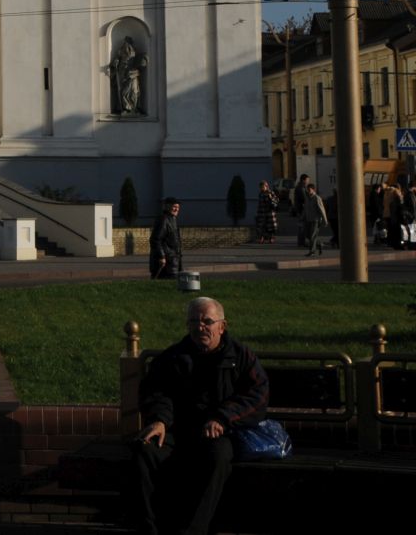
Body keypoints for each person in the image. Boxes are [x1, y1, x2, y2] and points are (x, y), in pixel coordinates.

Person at [129, 295, 269, 535]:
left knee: (219, 457)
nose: (199, 327)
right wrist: (160, 420)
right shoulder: (173, 357)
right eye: (193, 321)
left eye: (207, 321)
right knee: (144, 450)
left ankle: (193, 531)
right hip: (176, 430)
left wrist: (223, 418)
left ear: (222, 326)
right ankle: (149, 529)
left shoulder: (241, 357)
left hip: (216, 432)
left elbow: (258, 395)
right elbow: (155, 391)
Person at [149, 199, 181, 279]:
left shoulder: (172, 219)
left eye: (178, 207)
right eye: (174, 207)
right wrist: (161, 256)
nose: (176, 209)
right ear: (167, 207)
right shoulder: (164, 220)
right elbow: (155, 239)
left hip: (172, 260)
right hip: (166, 262)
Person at [300, 181, 328, 257]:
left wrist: (325, 220)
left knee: (312, 236)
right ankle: (319, 244)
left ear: (313, 190)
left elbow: (322, 209)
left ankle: (312, 251)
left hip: (316, 220)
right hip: (308, 219)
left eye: (310, 190)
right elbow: (305, 209)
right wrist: (302, 217)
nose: (308, 191)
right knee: (308, 235)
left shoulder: (317, 198)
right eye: (307, 189)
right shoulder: (307, 198)